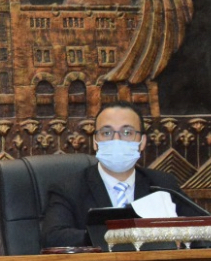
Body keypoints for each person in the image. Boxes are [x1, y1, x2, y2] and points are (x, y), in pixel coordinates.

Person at [41, 100, 187, 248]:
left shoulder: (163, 184)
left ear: (142, 142)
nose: (116, 140)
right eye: (107, 133)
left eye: (127, 133)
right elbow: (53, 237)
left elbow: (198, 230)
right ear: (95, 142)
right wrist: (117, 236)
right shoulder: (68, 189)